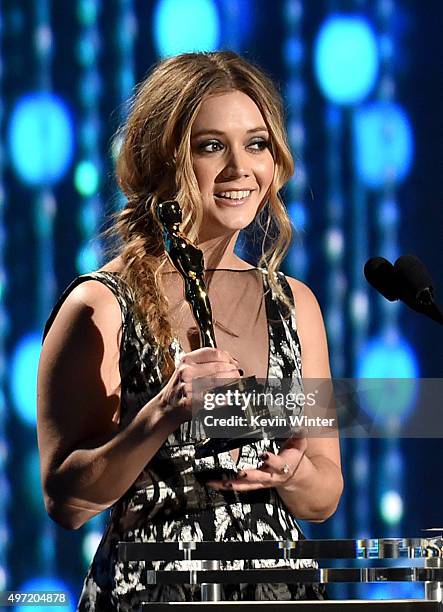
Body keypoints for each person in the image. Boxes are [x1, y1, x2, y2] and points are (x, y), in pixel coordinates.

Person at [37, 51, 343, 610]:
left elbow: (324, 491)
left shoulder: (296, 305)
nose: (239, 168)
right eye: (210, 146)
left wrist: (293, 471)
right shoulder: (100, 306)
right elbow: (68, 500)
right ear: (163, 160)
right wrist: (160, 413)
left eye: (256, 143)